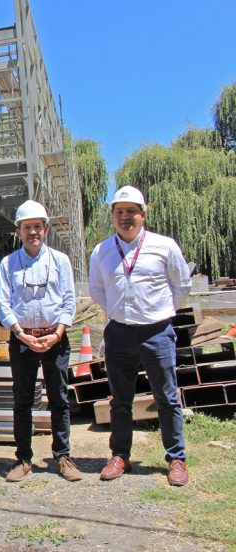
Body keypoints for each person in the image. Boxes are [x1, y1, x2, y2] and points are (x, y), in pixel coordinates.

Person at [89, 185, 192, 486]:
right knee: (120, 399)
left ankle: (176, 458)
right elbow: (97, 288)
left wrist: (159, 312)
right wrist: (120, 313)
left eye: (131, 211)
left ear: (142, 215)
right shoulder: (102, 251)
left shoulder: (164, 246)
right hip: (119, 332)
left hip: (157, 332)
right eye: (119, 211)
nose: (125, 217)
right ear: (113, 216)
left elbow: (181, 284)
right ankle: (120, 455)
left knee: (167, 397)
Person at [0, 200, 81, 483]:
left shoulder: (60, 261)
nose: (32, 232)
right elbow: (4, 305)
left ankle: (62, 456)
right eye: (26, 227)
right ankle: (23, 458)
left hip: (55, 337)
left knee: (59, 398)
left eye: (37, 227)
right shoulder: (8, 263)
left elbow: (69, 301)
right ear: (18, 231)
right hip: (23, 339)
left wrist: (57, 333)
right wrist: (21, 334)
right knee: (22, 401)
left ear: (45, 230)